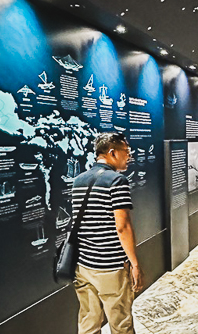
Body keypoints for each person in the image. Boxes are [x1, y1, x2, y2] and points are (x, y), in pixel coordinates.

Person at [72, 132, 144, 334]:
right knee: (121, 324)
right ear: (112, 153)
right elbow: (122, 227)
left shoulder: (78, 180)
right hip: (110, 266)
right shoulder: (117, 181)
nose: (129, 156)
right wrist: (135, 264)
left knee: (88, 323)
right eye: (126, 152)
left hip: (83, 264)